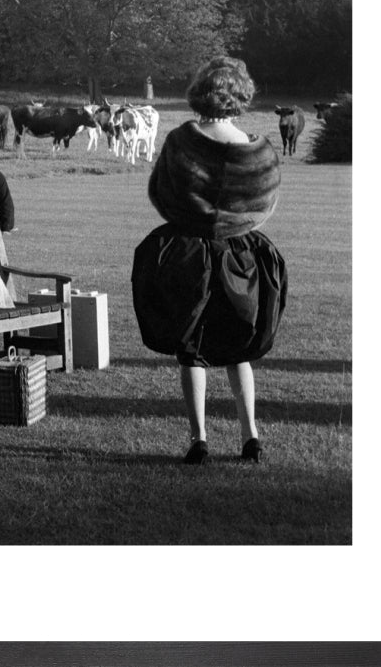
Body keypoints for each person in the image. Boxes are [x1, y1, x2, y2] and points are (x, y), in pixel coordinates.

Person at [131, 56, 288, 465]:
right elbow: (265, 204)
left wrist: (193, 218)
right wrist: (234, 224)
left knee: (192, 349)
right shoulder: (260, 150)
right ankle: (250, 436)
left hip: (188, 254)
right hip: (242, 255)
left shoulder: (182, 141)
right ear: (241, 95)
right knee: (239, 348)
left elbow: (161, 193)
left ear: (200, 92)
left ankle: (199, 438)